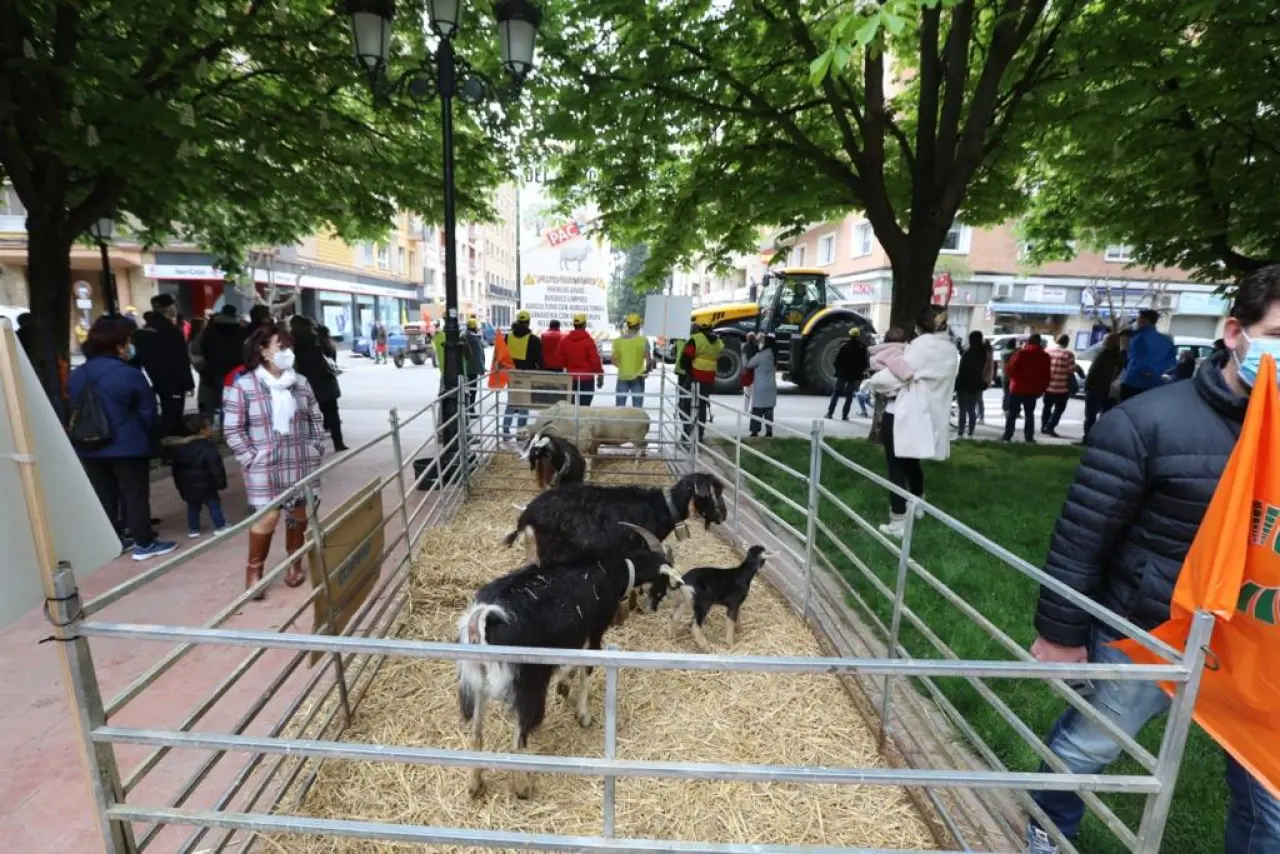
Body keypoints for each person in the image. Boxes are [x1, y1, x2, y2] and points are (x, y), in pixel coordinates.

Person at [1024, 264, 1280, 854]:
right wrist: (1061, 634)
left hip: (1256, 641)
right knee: (1091, 743)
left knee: (1268, 793)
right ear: (1235, 332)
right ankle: (1047, 826)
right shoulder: (1146, 423)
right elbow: (1083, 536)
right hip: (1152, 626)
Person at [223, 325, 327, 597]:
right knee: (267, 517)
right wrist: (250, 458)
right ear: (263, 351)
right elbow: (233, 429)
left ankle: (295, 562)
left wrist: (315, 447)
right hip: (264, 465)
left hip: (301, 461)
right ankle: (254, 571)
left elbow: (315, 418)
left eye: (289, 347)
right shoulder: (244, 386)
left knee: (299, 515)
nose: (288, 352)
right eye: (281, 347)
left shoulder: (300, 383)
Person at [68, 316, 179, 561]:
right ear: (119, 345)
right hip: (128, 445)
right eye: (128, 341)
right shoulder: (129, 374)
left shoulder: (77, 375)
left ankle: (114, 540)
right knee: (134, 494)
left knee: (105, 494)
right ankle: (144, 543)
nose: (130, 346)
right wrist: (153, 437)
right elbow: (148, 414)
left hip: (89, 445)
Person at [865, 311, 958, 537]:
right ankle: (918, 503)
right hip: (927, 415)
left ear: (918, 328)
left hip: (901, 412)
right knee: (912, 462)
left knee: (896, 466)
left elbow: (892, 379)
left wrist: (872, 382)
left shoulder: (918, 347)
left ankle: (898, 520)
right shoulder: (950, 351)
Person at [135, 295, 195, 437]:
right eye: (173, 305)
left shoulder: (145, 329)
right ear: (166, 307)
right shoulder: (169, 331)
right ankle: (165, 437)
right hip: (173, 379)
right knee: (173, 410)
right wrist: (188, 383)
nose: (175, 308)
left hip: (156, 376)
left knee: (168, 407)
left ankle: (174, 432)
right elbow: (179, 359)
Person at [161, 419, 228, 538]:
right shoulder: (207, 447)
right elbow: (216, 467)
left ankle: (194, 530)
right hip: (207, 485)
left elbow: (175, 471)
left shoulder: (179, 449)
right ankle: (220, 526)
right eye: (209, 427)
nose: (211, 429)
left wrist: (180, 486)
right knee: (214, 506)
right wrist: (221, 483)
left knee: (193, 507)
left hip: (187, 486)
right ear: (202, 431)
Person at [291, 316, 347, 451]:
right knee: (332, 413)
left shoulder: (294, 344)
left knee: (309, 417)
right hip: (325, 381)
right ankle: (338, 442)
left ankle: (312, 446)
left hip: (306, 383)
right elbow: (331, 354)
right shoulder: (319, 340)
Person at [194, 304, 247, 421]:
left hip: (213, 370)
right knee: (234, 402)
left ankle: (213, 425)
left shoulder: (209, 331)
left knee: (213, 402)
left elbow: (198, 349)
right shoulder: (241, 331)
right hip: (236, 372)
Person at [1002, 334, 1051, 443]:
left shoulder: (1021, 353)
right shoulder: (1044, 356)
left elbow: (1010, 369)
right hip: (1033, 389)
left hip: (1017, 387)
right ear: (1040, 342)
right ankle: (1029, 437)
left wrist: (1013, 379)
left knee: (1012, 413)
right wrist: (1042, 389)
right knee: (1029, 414)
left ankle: (1007, 435)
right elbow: (1046, 376)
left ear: (1029, 341)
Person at [680, 320, 723, 440]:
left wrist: (687, 369)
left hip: (695, 375)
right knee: (702, 406)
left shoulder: (695, 339)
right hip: (709, 377)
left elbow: (685, 358)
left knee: (686, 404)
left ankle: (687, 432)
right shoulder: (717, 341)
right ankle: (699, 434)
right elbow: (719, 356)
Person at [1119, 308, 1176, 400]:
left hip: (1133, 382)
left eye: (1139, 318)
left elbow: (1137, 360)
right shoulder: (1167, 341)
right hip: (1154, 385)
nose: (1137, 321)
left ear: (1145, 320)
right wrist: (1155, 375)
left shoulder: (1138, 338)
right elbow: (1171, 364)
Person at [1081, 332, 1125, 439]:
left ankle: (1088, 437)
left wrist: (1087, 386)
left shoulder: (1102, 356)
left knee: (1090, 416)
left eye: (1105, 340)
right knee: (1104, 415)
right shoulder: (1119, 357)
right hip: (1109, 391)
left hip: (1096, 389)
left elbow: (1093, 373)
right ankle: (1100, 438)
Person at [560, 312, 604, 407]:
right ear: (584, 324)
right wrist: (600, 374)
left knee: (570, 408)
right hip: (586, 379)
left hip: (570, 378)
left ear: (574, 325)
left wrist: (567, 366)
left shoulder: (564, 341)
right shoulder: (589, 341)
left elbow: (560, 358)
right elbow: (595, 360)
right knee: (584, 408)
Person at [827, 327, 869, 421]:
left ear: (849, 335)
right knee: (849, 396)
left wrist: (839, 370)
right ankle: (845, 415)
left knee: (836, 393)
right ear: (858, 336)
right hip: (854, 375)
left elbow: (837, 362)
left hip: (842, 374)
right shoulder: (862, 348)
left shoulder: (844, 346)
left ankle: (830, 413)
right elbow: (864, 363)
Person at [613, 313, 654, 408]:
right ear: (638, 326)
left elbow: (613, 361)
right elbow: (648, 361)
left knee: (620, 407)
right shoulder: (643, 341)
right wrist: (646, 371)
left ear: (627, 325)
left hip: (623, 376)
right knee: (637, 407)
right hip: (638, 377)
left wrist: (623, 367)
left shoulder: (617, 341)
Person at [954, 330, 989, 438]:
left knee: (962, 409)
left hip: (964, 385)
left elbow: (962, 371)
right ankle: (971, 431)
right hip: (976, 384)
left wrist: (956, 384)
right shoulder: (983, 354)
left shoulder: (968, 354)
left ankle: (961, 431)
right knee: (971, 408)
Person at [1041, 334, 1077, 438]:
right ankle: (1050, 426)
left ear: (1057, 341)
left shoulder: (1048, 351)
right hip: (1062, 388)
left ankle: (1044, 426)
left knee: (1047, 407)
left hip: (1048, 386)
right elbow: (1071, 370)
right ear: (1067, 343)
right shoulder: (1068, 354)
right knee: (1059, 408)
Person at [745, 334, 777, 437]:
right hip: (771, 386)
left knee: (757, 409)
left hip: (760, 386)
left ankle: (755, 431)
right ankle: (769, 431)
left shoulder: (761, 355)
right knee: (769, 410)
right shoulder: (774, 355)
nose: (760, 343)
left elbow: (749, 365)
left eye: (762, 341)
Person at [463, 317, 487, 415]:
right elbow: (478, 355)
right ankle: (471, 409)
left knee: (467, 389)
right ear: (474, 327)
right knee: (472, 390)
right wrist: (482, 369)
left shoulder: (464, 336)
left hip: (465, 368)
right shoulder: (474, 339)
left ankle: (467, 408)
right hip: (472, 369)